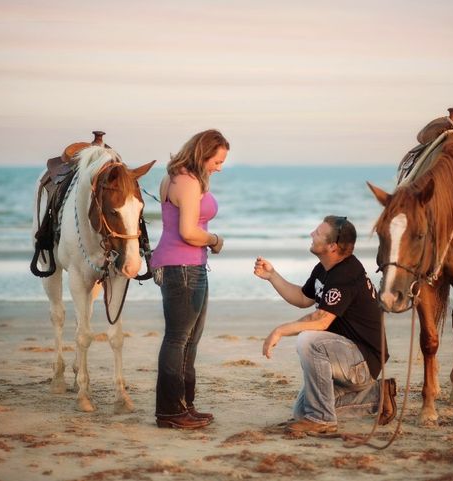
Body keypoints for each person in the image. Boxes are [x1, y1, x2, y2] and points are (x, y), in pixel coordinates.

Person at [253, 215, 397, 434]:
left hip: (362, 363)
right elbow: (302, 298)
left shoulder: (346, 274)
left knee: (309, 340)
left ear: (332, 246)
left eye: (318, 233)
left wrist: (280, 330)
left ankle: (322, 420)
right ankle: (377, 397)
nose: (312, 234)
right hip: (344, 359)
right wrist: (272, 276)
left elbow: (321, 321)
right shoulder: (325, 268)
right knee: (302, 412)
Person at [150, 129, 229, 429]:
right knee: (177, 338)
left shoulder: (177, 177)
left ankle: (184, 405)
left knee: (189, 340)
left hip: (188, 266)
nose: (219, 167)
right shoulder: (187, 181)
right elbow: (188, 232)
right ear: (203, 153)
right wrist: (214, 239)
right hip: (182, 268)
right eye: (217, 161)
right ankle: (170, 411)